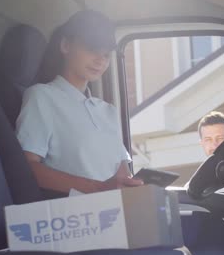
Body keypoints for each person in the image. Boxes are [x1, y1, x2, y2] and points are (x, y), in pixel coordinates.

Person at [16, 10, 142, 194]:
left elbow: (122, 175)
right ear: (66, 45)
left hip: (115, 211)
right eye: (92, 50)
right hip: (74, 215)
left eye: (106, 55)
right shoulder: (42, 97)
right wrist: (98, 188)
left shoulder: (108, 111)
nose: (100, 60)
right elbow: (28, 167)